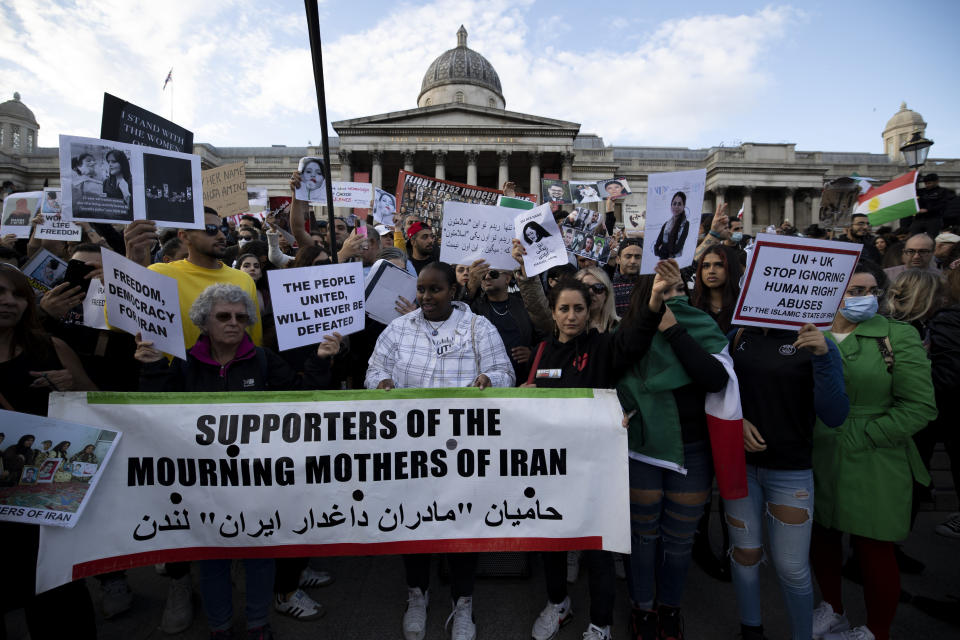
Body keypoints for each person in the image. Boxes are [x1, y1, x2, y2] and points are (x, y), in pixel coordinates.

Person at [136, 283, 340, 638]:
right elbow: (156, 413)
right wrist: (152, 369)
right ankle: (219, 627)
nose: (233, 323)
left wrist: (321, 359)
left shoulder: (263, 360)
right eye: (223, 316)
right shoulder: (183, 365)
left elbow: (301, 400)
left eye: (241, 317)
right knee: (213, 560)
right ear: (203, 321)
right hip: (204, 484)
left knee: (259, 556)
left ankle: (259, 623)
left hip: (258, 482)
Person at [365, 262, 514, 640]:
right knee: (413, 523)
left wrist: (490, 379)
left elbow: (505, 373)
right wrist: (380, 382)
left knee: (461, 525)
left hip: (461, 451)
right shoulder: (399, 328)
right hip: (411, 449)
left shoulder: (479, 328)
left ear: (453, 291)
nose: (427, 297)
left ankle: (462, 602)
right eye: (422, 289)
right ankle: (417, 595)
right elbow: (374, 369)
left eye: (436, 290)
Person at [524, 271, 663, 640]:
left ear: (590, 311)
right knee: (552, 541)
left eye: (579, 309)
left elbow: (634, 341)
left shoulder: (603, 346)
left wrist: (652, 304)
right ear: (553, 313)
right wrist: (526, 393)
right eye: (564, 309)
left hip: (595, 467)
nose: (572, 316)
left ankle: (601, 623)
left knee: (598, 549)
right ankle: (559, 604)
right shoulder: (542, 350)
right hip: (551, 467)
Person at [809, 263, 937, 640]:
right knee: (823, 536)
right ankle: (832, 608)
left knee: (873, 547)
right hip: (819, 450)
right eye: (851, 289)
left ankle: (876, 630)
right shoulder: (811, 329)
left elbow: (920, 406)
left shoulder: (897, 336)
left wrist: (866, 434)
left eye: (868, 291)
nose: (860, 297)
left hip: (876, 454)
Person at [616, 263, 740, 640]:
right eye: (662, 292)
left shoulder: (699, 325)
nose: (673, 299)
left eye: (677, 291)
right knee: (643, 536)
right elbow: (615, 370)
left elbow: (715, 379)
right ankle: (643, 609)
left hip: (693, 451)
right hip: (643, 448)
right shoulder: (630, 330)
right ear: (646, 295)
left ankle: (669, 608)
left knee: (679, 539)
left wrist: (673, 330)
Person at [723, 321, 848, 640]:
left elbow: (834, 414)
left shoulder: (816, 339)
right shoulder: (738, 335)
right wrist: (735, 420)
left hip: (790, 470)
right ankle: (750, 630)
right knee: (745, 554)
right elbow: (717, 387)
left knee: (792, 567)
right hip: (740, 466)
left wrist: (822, 355)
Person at [0, 263, 98, 638]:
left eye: (17, 294)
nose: (9, 302)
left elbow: (98, 403)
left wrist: (72, 386)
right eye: (0, 294)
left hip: (45, 497)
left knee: (58, 599)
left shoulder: (50, 348)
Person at [128, 208, 263, 351]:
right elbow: (121, 320)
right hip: (173, 372)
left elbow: (255, 340)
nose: (221, 235)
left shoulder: (243, 279)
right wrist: (132, 261)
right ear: (185, 236)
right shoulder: (160, 274)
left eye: (222, 229)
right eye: (210, 229)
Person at [470, 267, 538, 382]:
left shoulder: (523, 305)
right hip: (488, 381)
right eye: (483, 274)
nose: (487, 277)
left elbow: (543, 334)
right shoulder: (474, 309)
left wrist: (532, 353)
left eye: (493, 273)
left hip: (524, 380)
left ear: (507, 278)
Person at [691, 246, 742, 333]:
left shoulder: (744, 307)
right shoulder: (691, 305)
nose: (711, 271)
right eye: (706, 266)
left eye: (719, 265)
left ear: (731, 268)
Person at [654, 192, 690, 260]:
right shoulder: (666, 224)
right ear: (671, 205)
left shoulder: (686, 224)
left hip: (677, 261)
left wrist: (663, 247)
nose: (676, 207)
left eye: (679, 204)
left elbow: (677, 248)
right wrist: (661, 251)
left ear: (683, 206)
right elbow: (656, 246)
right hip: (663, 260)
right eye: (674, 203)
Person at [612, 239, 642, 316]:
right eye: (628, 256)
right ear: (618, 259)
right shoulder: (608, 284)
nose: (633, 261)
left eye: (637, 257)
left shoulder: (650, 285)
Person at [102, 149, 133, 218]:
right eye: (108, 162)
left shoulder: (132, 183)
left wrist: (126, 193)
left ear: (122, 163)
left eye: (113, 162)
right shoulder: (106, 182)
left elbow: (134, 211)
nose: (110, 165)